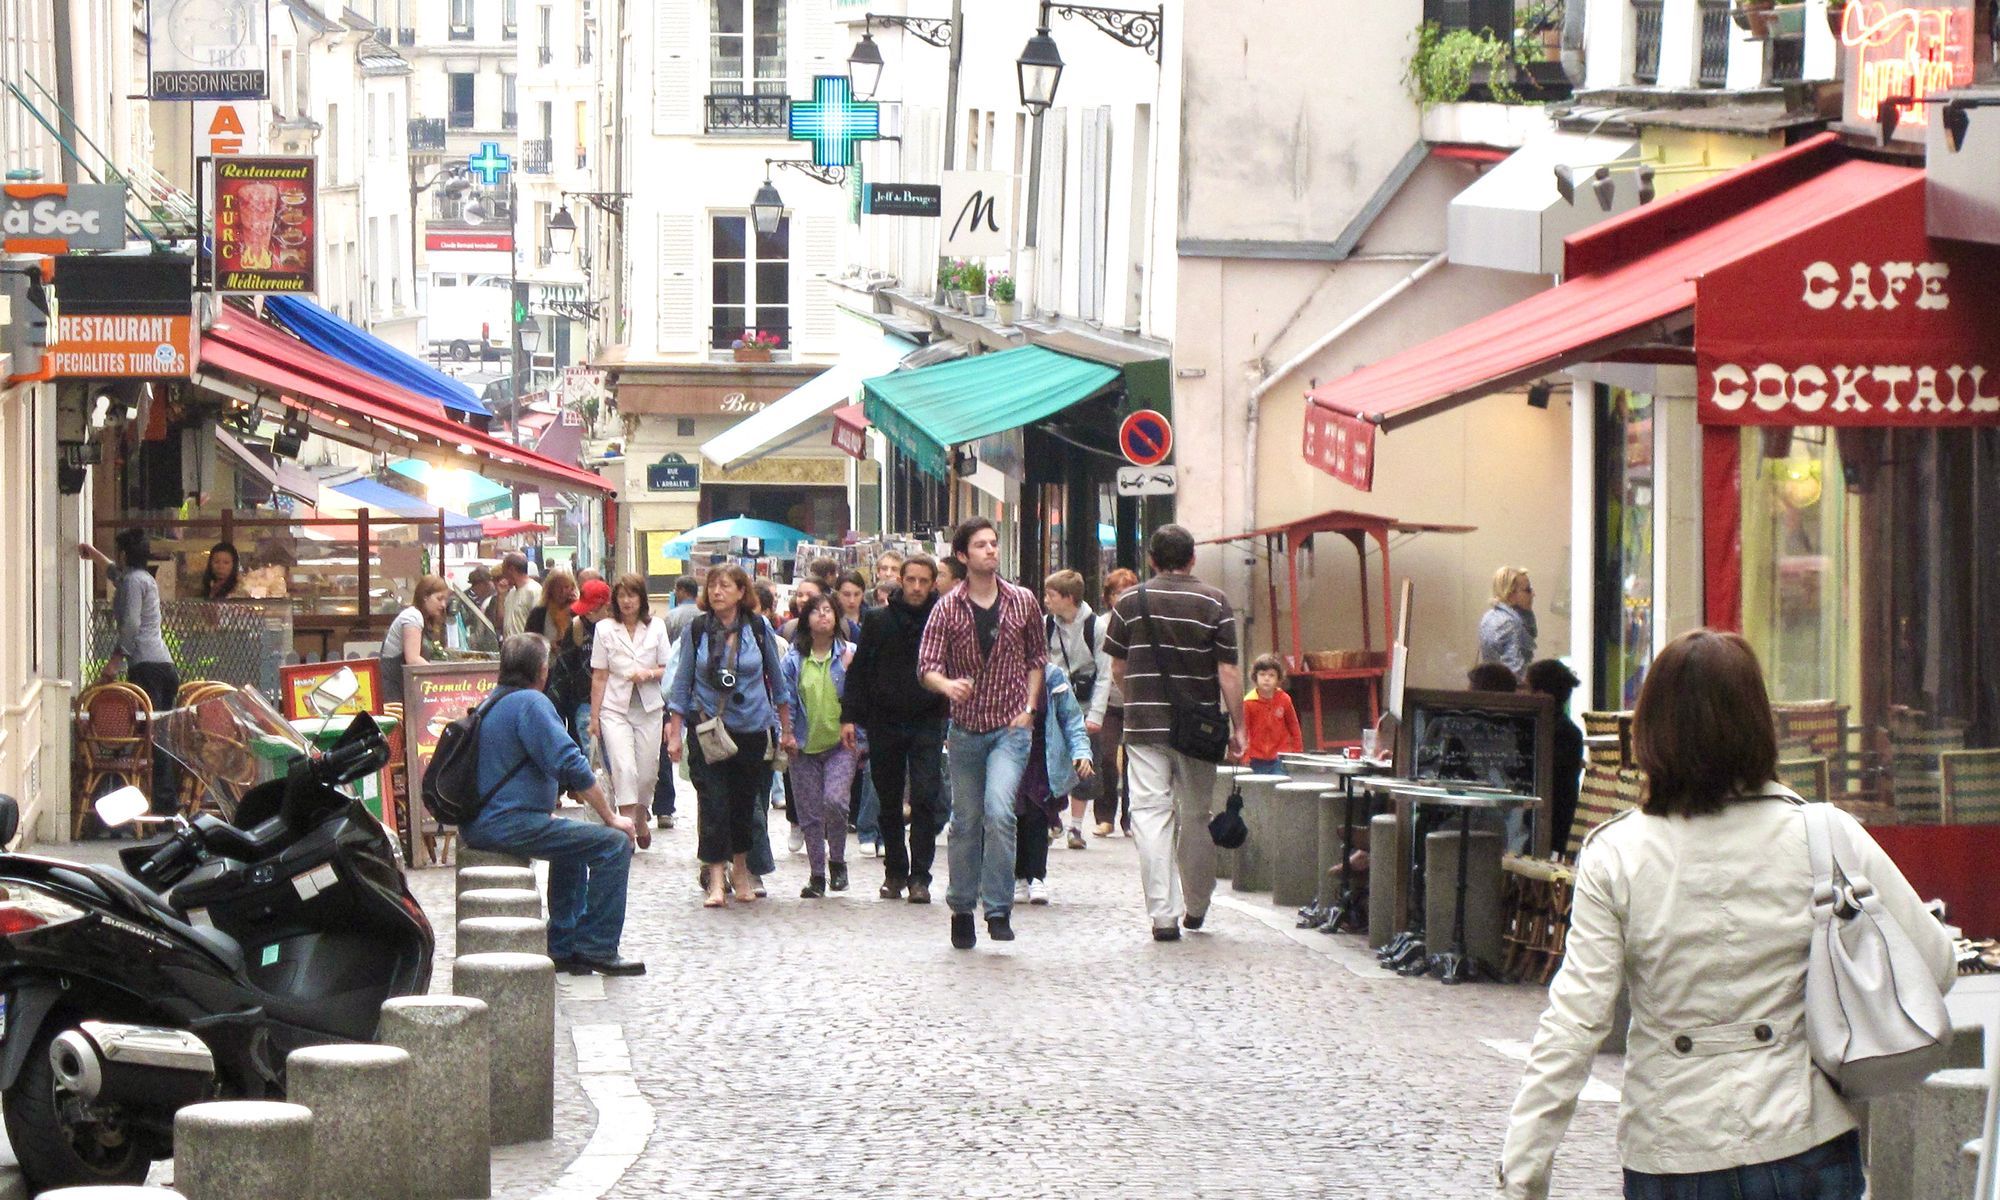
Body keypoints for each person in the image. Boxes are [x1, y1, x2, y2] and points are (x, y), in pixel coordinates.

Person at [1498, 629, 1954, 1199]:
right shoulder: (1825, 833)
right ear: (1758, 723)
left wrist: (1524, 1167)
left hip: (1671, 1148)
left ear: (1650, 729)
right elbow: (1936, 964)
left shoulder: (1614, 853)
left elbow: (1576, 1021)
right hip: (1802, 1138)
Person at [460, 634, 643, 976]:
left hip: (487, 820)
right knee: (614, 844)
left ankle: (562, 942)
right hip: (506, 823)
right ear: (542, 670)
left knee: (572, 842)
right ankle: (596, 946)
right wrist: (610, 816)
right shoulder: (531, 702)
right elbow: (570, 763)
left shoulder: (494, 701)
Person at [1105, 524, 1246, 942]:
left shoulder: (1129, 601)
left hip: (1145, 725)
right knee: (1195, 816)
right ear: (1192, 558)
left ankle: (1162, 914)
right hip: (1198, 729)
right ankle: (1198, 905)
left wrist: (1136, 701)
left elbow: (1117, 667)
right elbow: (1228, 671)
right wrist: (1240, 727)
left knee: (1149, 814)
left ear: (1151, 559)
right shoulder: (1214, 601)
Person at [918, 518, 1046, 951]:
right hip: (967, 730)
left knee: (1000, 812)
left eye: (993, 544)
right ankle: (960, 908)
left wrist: (1030, 708)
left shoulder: (1023, 601)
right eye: (981, 545)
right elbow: (927, 667)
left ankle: (997, 907)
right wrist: (947, 685)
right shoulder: (948, 607)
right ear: (962, 556)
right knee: (966, 822)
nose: (991, 551)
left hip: (1010, 726)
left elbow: (1036, 658)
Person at [668, 564, 793, 908]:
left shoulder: (758, 627)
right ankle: (715, 879)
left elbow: (777, 680)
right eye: (712, 586)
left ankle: (741, 870)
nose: (717, 592)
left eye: (725, 586)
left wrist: (786, 728)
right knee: (713, 803)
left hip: (751, 727)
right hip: (708, 728)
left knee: (743, 803)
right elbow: (682, 682)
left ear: (741, 592)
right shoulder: (697, 629)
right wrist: (675, 731)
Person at [843, 552, 949, 903]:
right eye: (911, 580)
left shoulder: (942, 618)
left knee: (924, 796)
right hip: (884, 719)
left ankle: (921, 875)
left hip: (928, 719)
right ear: (900, 582)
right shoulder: (877, 620)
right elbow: (860, 671)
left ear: (933, 583)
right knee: (887, 800)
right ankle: (895, 871)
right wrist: (850, 717)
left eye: (923, 581)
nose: (917, 587)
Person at [79, 531, 183, 814]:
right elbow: (115, 573)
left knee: (151, 736)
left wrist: (115, 660)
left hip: (147, 667)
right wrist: (94, 554)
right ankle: (161, 800)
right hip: (161, 664)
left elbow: (130, 623)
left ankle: (163, 803)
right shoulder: (141, 578)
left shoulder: (134, 582)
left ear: (124, 553)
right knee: (156, 734)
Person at [781, 594, 858, 898]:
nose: (823, 616)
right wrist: (785, 733)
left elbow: (862, 697)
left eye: (828, 611)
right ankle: (817, 874)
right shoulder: (793, 660)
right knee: (810, 813)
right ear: (806, 619)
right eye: (816, 612)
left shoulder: (849, 654)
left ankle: (837, 861)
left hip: (841, 744)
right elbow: (784, 700)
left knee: (835, 802)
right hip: (803, 746)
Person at [590, 573, 668, 851]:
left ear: (642, 599)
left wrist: (648, 674)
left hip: (649, 706)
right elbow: (599, 675)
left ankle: (640, 815)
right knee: (624, 767)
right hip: (614, 707)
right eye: (622, 595)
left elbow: (667, 668)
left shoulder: (657, 627)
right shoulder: (604, 629)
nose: (626, 601)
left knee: (647, 771)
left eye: (632, 595)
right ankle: (626, 826)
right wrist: (594, 717)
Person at [1012, 662, 1095, 906]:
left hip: (1042, 757)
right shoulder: (1001, 668)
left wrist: (1081, 752)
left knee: (1037, 814)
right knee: (1011, 815)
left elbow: (1071, 719)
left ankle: (1036, 876)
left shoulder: (1053, 676)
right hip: (1008, 751)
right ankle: (1017, 876)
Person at [1043, 569, 1112, 851]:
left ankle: (1076, 826)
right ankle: (1052, 820)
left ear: (1069, 598)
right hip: (1053, 703)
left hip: (1083, 704)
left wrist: (1096, 715)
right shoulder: (1046, 623)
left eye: (1051, 595)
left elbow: (1105, 672)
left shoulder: (1095, 626)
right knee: (1049, 761)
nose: (1046, 600)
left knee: (1083, 765)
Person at [1524, 659, 1587, 859]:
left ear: (1541, 695)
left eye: (1529, 689)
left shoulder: (1551, 732)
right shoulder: (1568, 731)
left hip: (1552, 828)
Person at [1095, 568, 1139, 836]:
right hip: (1110, 702)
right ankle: (1105, 816)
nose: (1122, 598)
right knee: (1107, 757)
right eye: (1117, 593)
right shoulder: (1102, 624)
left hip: (1136, 701)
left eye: (1127, 592)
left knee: (1136, 762)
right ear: (1109, 597)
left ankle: (1129, 819)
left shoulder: (1143, 623)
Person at [554, 577, 610, 761]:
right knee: (593, 761)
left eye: (592, 609)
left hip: (618, 704)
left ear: (606, 605)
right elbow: (563, 670)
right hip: (585, 704)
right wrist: (554, 706)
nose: (587, 614)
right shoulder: (577, 627)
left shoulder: (620, 629)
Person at [378, 575, 449, 705]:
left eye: (445, 599)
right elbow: (413, 659)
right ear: (425, 597)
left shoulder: (423, 619)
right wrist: (441, 678)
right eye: (439, 599)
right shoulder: (413, 617)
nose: (443, 605)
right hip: (393, 692)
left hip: (402, 688)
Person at [1242, 653, 1304, 774]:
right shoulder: (1248, 702)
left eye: (1271, 675)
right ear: (1255, 677)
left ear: (1278, 679)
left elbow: (1294, 726)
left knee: (1280, 788)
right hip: (1256, 758)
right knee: (1259, 790)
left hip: (1280, 756)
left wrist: (1297, 751)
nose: (1266, 678)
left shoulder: (1284, 699)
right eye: (1262, 674)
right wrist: (1245, 755)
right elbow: (1244, 732)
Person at [1479, 566, 1537, 677]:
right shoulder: (1508, 623)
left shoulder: (1491, 616)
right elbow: (1515, 673)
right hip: (1508, 690)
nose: (1533, 594)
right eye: (1528, 590)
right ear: (1510, 594)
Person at [498, 552, 542, 638]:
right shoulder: (511, 592)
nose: (504, 576)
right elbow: (500, 622)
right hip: (510, 646)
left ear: (511, 569)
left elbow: (539, 624)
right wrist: (501, 596)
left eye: (504, 571)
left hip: (525, 647)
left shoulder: (534, 590)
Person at [663, 575, 702, 643]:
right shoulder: (705, 613)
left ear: (682, 591)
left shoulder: (672, 616)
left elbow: (665, 643)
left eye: (676, 590)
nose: (674, 593)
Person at [467, 565, 502, 632]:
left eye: (475, 586)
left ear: (483, 584)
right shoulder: (468, 596)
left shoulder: (495, 598)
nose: (473, 590)